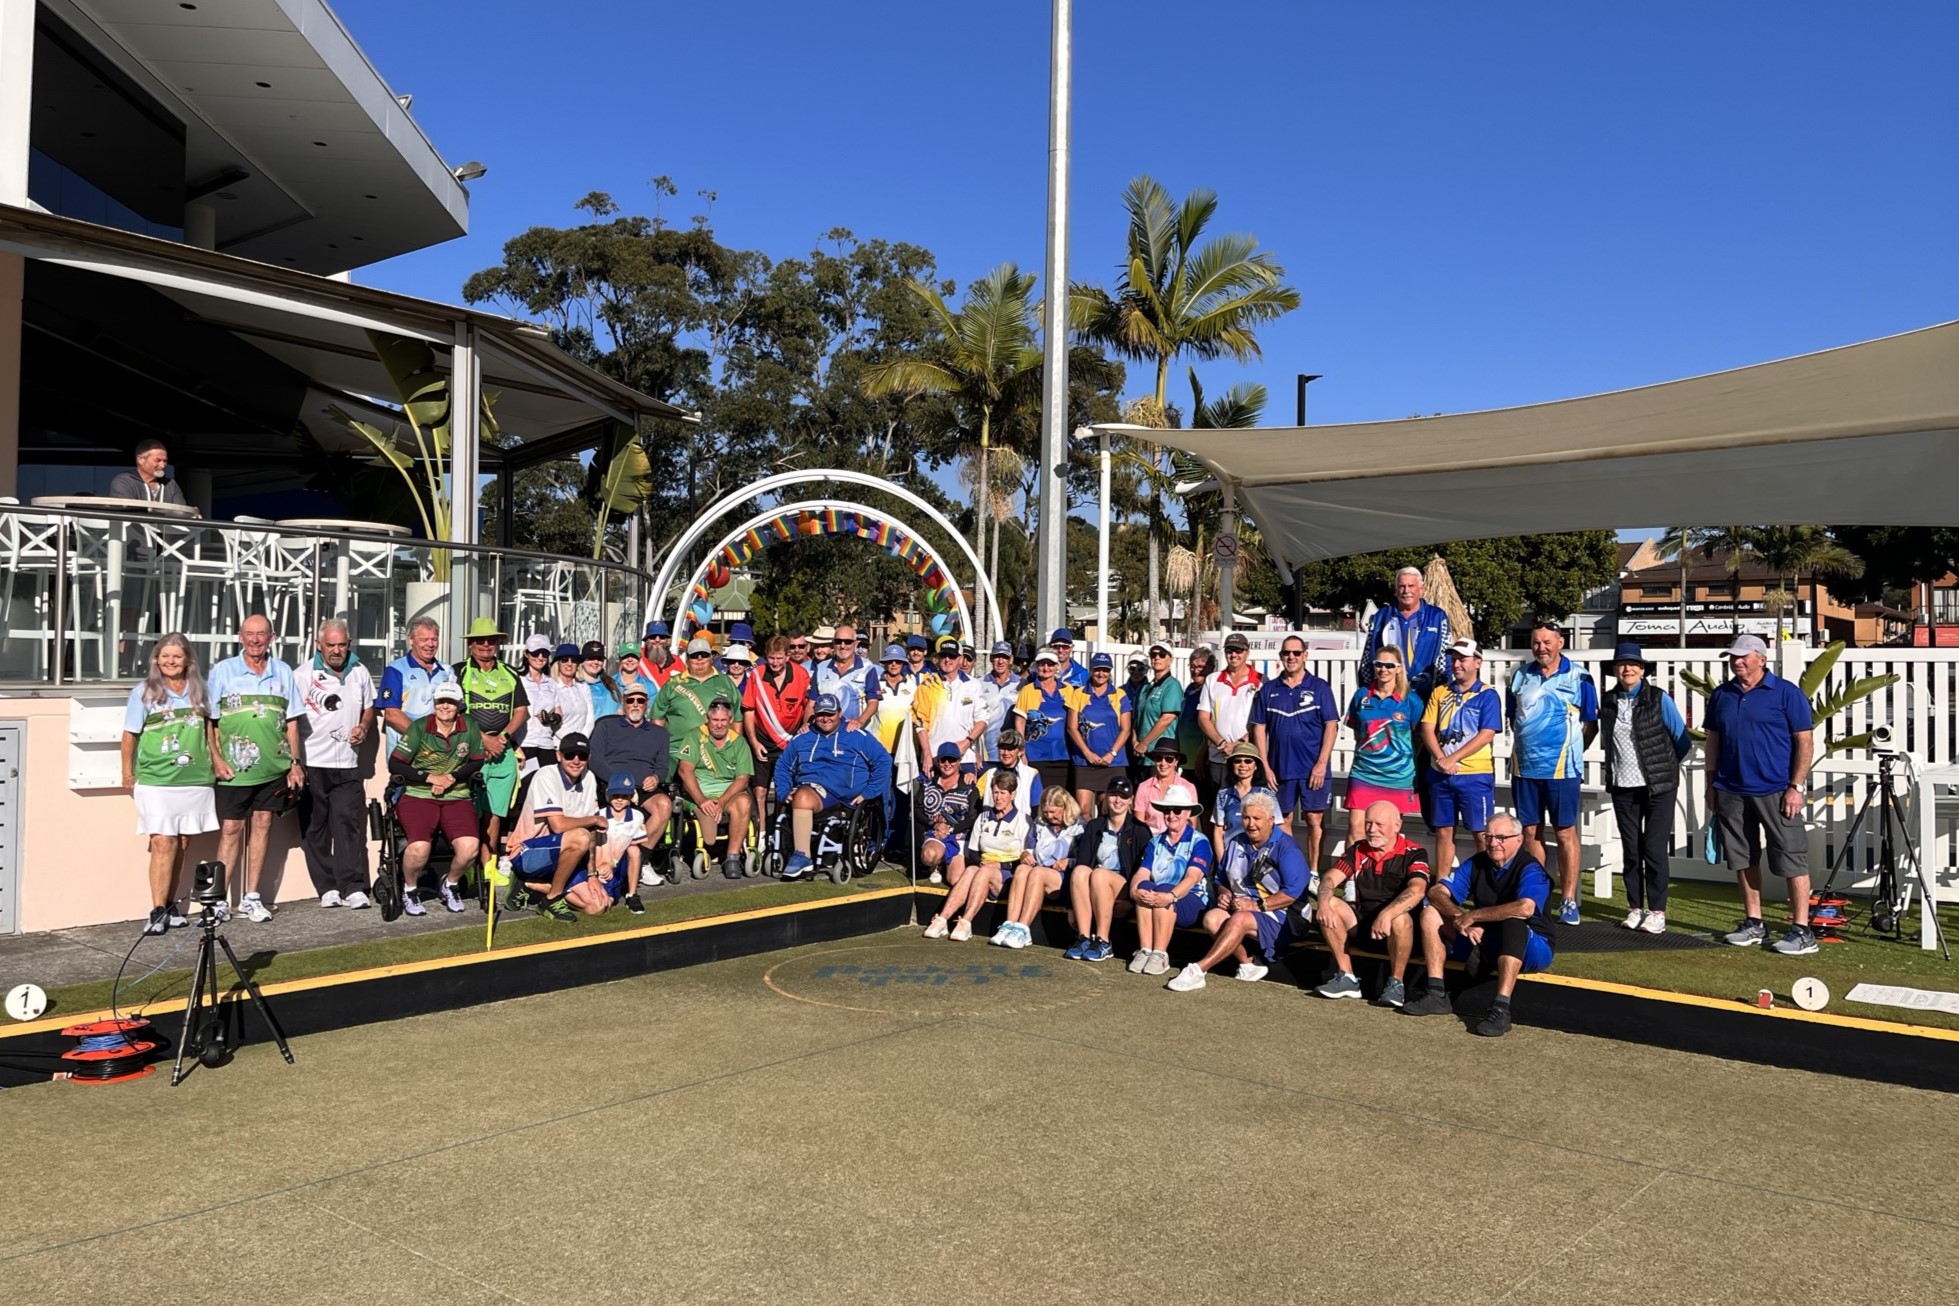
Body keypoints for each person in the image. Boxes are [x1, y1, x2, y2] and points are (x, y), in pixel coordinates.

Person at [1707, 633, 1818, 955]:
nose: (1737, 661)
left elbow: (1805, 742)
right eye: (1733, 656)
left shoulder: (1786, 694)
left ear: (1761, 659)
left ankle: (1802, 930)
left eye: (1744, 656)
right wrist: (1711, 782)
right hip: (1730, 789)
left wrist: (1795, 787)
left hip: (1776, 790)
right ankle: (1754, 922)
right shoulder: (1722, 695)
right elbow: (1713, 740)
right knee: (1743, 858)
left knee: (1791, 856)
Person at [1413, 815, 1556, 1035]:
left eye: (1501, 837)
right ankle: (1436, 993)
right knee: (1431, 913)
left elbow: (1525, 908)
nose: (1493, 843)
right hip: (1483, 939)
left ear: (1518, 839)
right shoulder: (1477, 863)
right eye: (1488, 836)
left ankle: (1501, 1008)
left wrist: (1474, 915)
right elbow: (1436, 892)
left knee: (1513, 921)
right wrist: (1460, 916)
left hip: (1532, 947)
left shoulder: (1531, 868)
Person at [207, 614, 303, 924]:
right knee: (231, 829)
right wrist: (217, 760)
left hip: (273, 767)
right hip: (234, 769)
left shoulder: (283, 671)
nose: (255, 640)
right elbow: (211, 722)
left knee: (262, 825)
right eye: (249, 634)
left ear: (271, 637)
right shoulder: (223, 671)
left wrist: (295, 763)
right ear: (240, 637)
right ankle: (219, 901)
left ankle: (251, 897)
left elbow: (292, 722)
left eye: (261, 634)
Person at [1165, 791, 1310, 991]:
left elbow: (1292, 894)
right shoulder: (1235, 842)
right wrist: (1224, 893)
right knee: (1212, 919)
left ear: (1271, 819)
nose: (1251, 824)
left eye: (1257, 819)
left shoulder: (1287, 848)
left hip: (1288, 916)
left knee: (1240, 918)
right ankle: (1248, 965)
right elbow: (1220, 878)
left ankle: (1198, 970)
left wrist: (1257, 905)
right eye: (1246, 818)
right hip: (1244, 909)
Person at [121, 633, 218, 933]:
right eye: (164, 656)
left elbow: (210, 730)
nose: (170, 662)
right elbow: (129, 736)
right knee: (163, 842)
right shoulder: (144, 692)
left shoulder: (201, 691)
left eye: (176, 656)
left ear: (188, 659)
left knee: (183, 842)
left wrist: (217, 762)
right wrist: (127, 773)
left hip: (195, 779)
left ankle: (173, 906)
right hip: (156, 780)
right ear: (156, 660)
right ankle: (157, 910)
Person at [1506, 620, 1599, 926]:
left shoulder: (1579, 676)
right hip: (1525, 769)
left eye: (1547, 642)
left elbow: (1591, 724)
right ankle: (1537, 895)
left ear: (1561, 643)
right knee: (1531, 832)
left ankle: (1569, 900)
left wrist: (1572, 751)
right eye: (1536, 642)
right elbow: (1513, 718)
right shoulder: (1520, 675)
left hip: (1562, 771)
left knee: (1564, 832)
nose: (1541, 648)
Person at [1600, 642, 1691, 934]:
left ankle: (1657, 912)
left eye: (1633, 664)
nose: (1627, 669)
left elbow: (1681, 739)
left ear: (1642, 669)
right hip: (1623, 786)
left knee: (1653, 849)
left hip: (1658, 786)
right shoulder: (1609, 700)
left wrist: (1662, 768)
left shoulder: (1659, 698)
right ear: (1615, 670)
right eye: (1622, 665)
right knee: (1631, 850)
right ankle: (1635, 908)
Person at [1315, 801, 1433, 1007]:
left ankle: (1396, 984)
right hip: (1364, 925)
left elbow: (1417, 889)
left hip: (1401, 932)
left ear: (1397, 826)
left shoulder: (1414, 852)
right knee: (1331, 904)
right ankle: (1347, 977)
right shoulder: (1358, 850)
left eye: (1379, 824)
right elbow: (1329, 880)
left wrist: (1386, 914)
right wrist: (1323, 902)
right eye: (1368, 823)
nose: (1371, 830)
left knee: (1400, 917)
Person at [293, 619, 376, 910]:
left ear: (349, 644)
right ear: (319, 645)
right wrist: (295, 763)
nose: (337, 650)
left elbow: (369, 707)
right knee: (315, 828)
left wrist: (364, 727)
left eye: (342, 644)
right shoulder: (302, 675)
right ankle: (326, 887)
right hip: (312, 762)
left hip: (348, 763)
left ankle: (352, 886)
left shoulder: (360, 671)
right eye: (331, 645)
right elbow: (290, 720)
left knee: (347, 825)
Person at [387, 682, 485, 916]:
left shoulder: (469, 724)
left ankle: (450, 885)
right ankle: (410, 889)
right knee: (419, 847)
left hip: (457, 794)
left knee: (470, 848)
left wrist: (451, 777)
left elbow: (477, 759)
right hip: (418, 794)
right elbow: (396, 763)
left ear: (459, 705)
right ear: (434, 703)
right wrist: (430, 778)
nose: (445, 706)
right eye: (441, 701)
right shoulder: (420, 727)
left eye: (450, 702)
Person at [773, 693, 891, 881]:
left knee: (802, 796)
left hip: (846, 796)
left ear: (839, 713)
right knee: (802, 796)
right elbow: (783, 766)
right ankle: (803, 855)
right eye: (821, 714)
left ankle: (802, 855)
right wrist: (783, 791)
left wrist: (869, 792)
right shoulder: (802, 737)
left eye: (830, 713)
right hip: (812, 790)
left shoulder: (856, 735)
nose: (825, 718)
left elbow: (883, 761)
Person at [1250, 635, 1340, 871]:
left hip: (1313, 770)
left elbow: (1332, 725)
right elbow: (1259, 728)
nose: (1291, 657)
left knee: (1314, 820)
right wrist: (1265, 765)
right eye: (1286, 653)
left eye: (1296, 653)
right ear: (1281, 656)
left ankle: (1313, 872)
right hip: (1280, 769)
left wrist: (1321, 763)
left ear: (1305, 656)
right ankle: (1291, 869)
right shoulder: (1269, 689)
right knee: (1283, 821)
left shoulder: (1319, 687)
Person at [1417, 638, 1504, 878]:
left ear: (1477, 662)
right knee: (1443, 831)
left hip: (1475, 774)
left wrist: (1452, 757)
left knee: (1481, 833)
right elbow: (1427, 728)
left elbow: (1486, 734)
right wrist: (1440, 758)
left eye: (1462, 659)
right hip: (1440, 774)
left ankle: (1487, 883)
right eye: (1454, 659)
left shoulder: (1487, 695)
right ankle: (1441, 885)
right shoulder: (1440, 691)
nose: (1456, 664)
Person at [501, 731, 602, 923]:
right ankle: (551, 899)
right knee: (580, 836)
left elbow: (591, 831)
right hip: (527, 851)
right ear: (558, 755)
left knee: (596, 906)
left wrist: (592, 875)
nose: (576, 760)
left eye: (582, 755)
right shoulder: (546, 774)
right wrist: (594, 819)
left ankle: (531, 885)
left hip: (564, 853)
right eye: (569, 755)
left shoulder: (589, 778)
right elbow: (559, 825)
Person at [457, 617, 529, 877]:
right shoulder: (458, 672)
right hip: (468, 750)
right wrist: (482, 739)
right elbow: (451, 713)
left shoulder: (510, 673)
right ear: (471, 644)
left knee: (495, 812)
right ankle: (465, 869)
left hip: (502, 751)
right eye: (480, 641)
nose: (486, 645)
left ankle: (489, 869)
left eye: (491, 640)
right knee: (465, 811)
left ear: (499, 643)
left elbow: (521, 711)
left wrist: (503, 738)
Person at [587, 683, 674, 879]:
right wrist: (621, 784)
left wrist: (656, 777)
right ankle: (614, 860)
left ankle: (640, 859)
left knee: (664, 804)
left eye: (640, 700)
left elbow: (662, 766)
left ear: (646, 704)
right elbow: (595, 760)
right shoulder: (606, 726)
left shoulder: (659, 733)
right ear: (623, 702)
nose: (635, 704)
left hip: (643, 786)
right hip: (612, 784)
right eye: (630, 700)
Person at [1344, 645, 1426, 846]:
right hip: (1364, 773)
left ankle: (1383, 876)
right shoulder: (1361, 695)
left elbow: (1419, 737)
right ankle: (1354, 876)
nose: (1383, 669)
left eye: (1389, 665)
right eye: (1378, 664)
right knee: (1356, 828)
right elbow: (1357, 731)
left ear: (1398, 668)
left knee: (1387, 834)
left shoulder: (1411, 700)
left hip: (1397, 777)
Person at [1064, 776, 1151, 963]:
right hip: (1097, 883)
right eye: (1113, 795)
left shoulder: (1140, 830)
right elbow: (1083, 863)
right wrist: (1070, 905)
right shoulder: (1095, 826)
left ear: (1131, 800)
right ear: (1107, 797)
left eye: (1123, 796)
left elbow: (1143, 872)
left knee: (1099, 874)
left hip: (1125, 885)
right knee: (1080, 871)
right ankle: (1084, 938)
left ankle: (1103, 940)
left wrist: (1131, 899)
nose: (1117, 800)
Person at [1135, 783, 1213, 980]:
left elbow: (1192, 877)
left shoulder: (1200, 841)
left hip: (1191, 899)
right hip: (1164, 895)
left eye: (1177, 810)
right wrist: (1134, 890)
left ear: (1187, 813)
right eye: (1167, 810)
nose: (1171, 815)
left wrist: (1170, 895)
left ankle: (1160, 953)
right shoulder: (1155, 841)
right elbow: (1142, 872)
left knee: (1162, 889)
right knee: (1144, 888)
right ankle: (1145, 949)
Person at [991, 787, 1082, 948]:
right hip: (1037, 871)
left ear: (1065, 807)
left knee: (1038, 873)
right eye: (1046, 812)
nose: (1049, 816)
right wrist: (1025, 855)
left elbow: (1086, 859)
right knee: (1021, 870)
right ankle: (1010, 924)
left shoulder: (1080, 827)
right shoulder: (1039, 823)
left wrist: (1069, 861)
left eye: (1053, 812)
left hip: (1064, 880)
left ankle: (1023, 928)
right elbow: (1030, 847)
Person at [675, 698, 756, 879]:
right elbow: (684, 769)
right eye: (715, 720)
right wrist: (702, 800)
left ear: (730, 720)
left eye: (723, 720)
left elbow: (743, 779)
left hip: (727, 795)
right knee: (709, 837)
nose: (718, 725)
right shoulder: (694, 736)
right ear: (707, 719)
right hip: (699, 795)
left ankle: (732, 857)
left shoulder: (739, 742)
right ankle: (703, 851)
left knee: (744, 801)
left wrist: (721, 802)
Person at [745, 634, 812, 824]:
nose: (774, 663)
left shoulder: (801, 675)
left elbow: (809, 703)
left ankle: (781, 829)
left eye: (779, 658)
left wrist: (807, 723)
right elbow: (749, 710)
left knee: (786, 789)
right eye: (771, 658)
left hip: (789, 741)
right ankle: (762, 831)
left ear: (787, 656)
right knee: (760, 790)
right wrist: (754, 742)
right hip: (762, 740)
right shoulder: (757, 675)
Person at [1360, 564, 1452, 699]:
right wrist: (1366, 691)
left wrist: (1443, 690)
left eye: (1411, 586)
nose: (1406, 590)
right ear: (1396, 590)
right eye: (1402, 586)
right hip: (1389, 694)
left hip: (1425, 694)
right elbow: (1368, 657)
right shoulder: (1381, 616)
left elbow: (1445, 657)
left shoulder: (1437, 617)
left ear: (1421, 588)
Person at [651, 637, 741, 773]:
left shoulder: (726, 682)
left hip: (715, 750)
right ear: (687, 659)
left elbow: (737, 718)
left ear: (711, 657)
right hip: (676, 751)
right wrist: (659, 747)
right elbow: (658, 717)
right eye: (694, 656)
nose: (699, 659)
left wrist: (733, 748)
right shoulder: (673, 684)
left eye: (704, 655)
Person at [567, 773, 645, 916]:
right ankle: (559, 895)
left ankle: (632, 895)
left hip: (615, 865)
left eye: (625, 796)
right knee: (602, 902)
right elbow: (593, 846)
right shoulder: (599, 815)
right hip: (596, 864)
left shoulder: (637, 817)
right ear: (608, 796)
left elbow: (632, 843)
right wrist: (599, 868)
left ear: (631, 797)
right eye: (615, 795)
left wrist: (613, 863)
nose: (619, 800)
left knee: (634, 850)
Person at [1197, 632, 1262, 804]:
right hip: (1218, 757)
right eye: (1229, 650)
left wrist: (1238, 745)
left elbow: (1261, 722)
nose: (1234, 655)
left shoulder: (1261, 681)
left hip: (1246, 759)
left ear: (1247, 652)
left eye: (1239, 650)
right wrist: (1221, 743)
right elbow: (1203, 717)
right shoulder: (1212, 679)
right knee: (1218, 812)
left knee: (1246, 810)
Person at [1065, 651, 1131, 815]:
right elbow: (1071, 727)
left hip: (1112, 763)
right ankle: (1086, 840)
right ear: (1091, 670)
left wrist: (1112, 753)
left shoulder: (1119, 695)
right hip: (1084, 761)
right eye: (1097, 669)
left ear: (1110, 672)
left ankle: (1104, 841)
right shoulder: (1078, 694)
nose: (1101, 674)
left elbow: (1126, 729)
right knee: (1082, 811)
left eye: (1105, 670)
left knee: (1107, 809)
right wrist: (1087, 753)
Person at [376, 616, 453, 749]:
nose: (430, 644)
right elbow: (392, 714)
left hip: (440, 752)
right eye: (424, 640)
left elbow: (456, 711)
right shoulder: (396, 669)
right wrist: (424, 740)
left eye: (434, 639)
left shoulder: (447, 671)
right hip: (405, 753)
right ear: (411, 639)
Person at [913, 635, 988, 769]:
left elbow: (982, 720)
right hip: (936, 757)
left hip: (965, 757)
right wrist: (927, 755)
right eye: (944, 656)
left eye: (952, 656)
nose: (947, 660)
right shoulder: (926, 685)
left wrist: (967, 743)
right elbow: (920, 724)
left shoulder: (974, 685)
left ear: (960, 659)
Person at [916, 742, 981, 894]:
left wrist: (951, 829)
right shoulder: (928, 783)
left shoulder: (969, 785)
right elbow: (918, 810)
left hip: (959, 835)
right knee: (929, 856)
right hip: (936, 833)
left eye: (951, 760)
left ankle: (948, 864)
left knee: (955, 880)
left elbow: (972, 817)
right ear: (937, 761)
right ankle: (936, 865)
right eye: (943, 760)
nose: (947, 764)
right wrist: (934, 824)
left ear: (959, 761)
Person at [1012, 649, 1074, 802]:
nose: (1046, 668)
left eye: (1050, 664)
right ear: (1037, 666)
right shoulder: (1027, 690)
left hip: (1063, 756)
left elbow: (1075, 721)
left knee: (1060, 802)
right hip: (1035, 756)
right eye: (1042, 664)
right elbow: (1020, 721)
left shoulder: (1068, 689)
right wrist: (1022, 751)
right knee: (1038, 801)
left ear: (1056, 667)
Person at [870, 643, 921, 798]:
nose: (893, 664)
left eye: (898, 661)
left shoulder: (913, 686)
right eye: (890, 661)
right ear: (884, 663)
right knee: (881, 792)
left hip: (905, 748)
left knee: (902, 794)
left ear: (904, 663)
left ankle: (900, 823)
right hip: (880, 748)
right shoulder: (875, 684)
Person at [1131, 640, 1184, 787]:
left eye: (1162, 654)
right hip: (1141, 754)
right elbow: (1137, 717)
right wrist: (1135, 741)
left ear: (1170, 659)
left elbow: (1167, 718)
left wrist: (1145, 743)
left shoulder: (1172, 685)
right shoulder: (1146, 686)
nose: (1157, 658)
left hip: (1160, 755)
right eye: (1153, 654)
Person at [1211, 740, 1277, 857]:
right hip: (1231, 857)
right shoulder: (1223, 795)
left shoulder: (1267, 794)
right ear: (1232, 765)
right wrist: (1222, 862)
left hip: (1261, 857)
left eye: (1248, 761)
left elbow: (1277, 828)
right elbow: (1218, 831)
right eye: (1238, 761)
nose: (1243, 765)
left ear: (1256, 766)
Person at [814, 622, 880, 731]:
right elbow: (812, 702)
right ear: (833, 644)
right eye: (838, 641)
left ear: (855, 644)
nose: (843, 646)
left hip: (855, 732)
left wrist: (860, 721)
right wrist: (807, 724)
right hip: (826, 732)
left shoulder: (868, 668)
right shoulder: (821, 668)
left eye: (848, 642)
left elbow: (873, 702)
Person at [516, 634, 563, 769]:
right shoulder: (517, 679)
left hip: (546, 744)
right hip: (524, 743)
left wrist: (551, 718)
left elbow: (559, 714)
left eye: (545, 653)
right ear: (526, 653)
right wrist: (515, 745)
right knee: (525, 787)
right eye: (536, 653)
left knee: (547, 787)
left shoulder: (551, 683)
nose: (540, 657)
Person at [976, 728, 1042, 821]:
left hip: (1020, 827)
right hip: (991, 826)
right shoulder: (989, 774)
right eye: (1002, 748)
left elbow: (1037, 807)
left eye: (1011, 748)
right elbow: (974, 797)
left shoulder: (1031, 774)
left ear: (1020, 751)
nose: (1006, 753)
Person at [1177, 644, 1217, 787]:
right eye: (1193, 667)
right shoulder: (1190, 689)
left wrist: (1202, 756)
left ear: (1211, 668)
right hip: (1186, 759)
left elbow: (1211, 725)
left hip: (1202, 760)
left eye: (1201, 667)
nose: (1196, 671)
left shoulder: (1212, 691)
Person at [108, 437, 190, 507]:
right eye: (157, 460)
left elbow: (181, 513)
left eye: (165, 461)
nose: (163, 465)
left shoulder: (171, 485)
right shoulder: (124, 482)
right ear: (141, 460)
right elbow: (128, 515)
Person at [978, 641, 1023, 762]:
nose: (1000, 661)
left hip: (1012, 753)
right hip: (986, 753)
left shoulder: (1022, 685)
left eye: (1005, 657)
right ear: (991, 658)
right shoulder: (978, 684)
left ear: (1011, 660)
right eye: (997, 656)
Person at [1133, 739, 1188, 836]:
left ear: (1176, 761)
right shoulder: (1143, 787)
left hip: (1180, 842)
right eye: (1158, 758)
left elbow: (1191, 824)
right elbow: (1139, 825)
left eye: (1169, 759)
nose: (1163, 763)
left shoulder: (1188, 787)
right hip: (1150, 841)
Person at [578, 640, 622, 721]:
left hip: (611, 732)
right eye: (591, 658)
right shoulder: (576, 685)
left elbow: (619, 711)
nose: (596, 662)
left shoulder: (611, 684)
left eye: (599, 659)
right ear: (582, 661)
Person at [640, 620, 678, 689]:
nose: (657, 640)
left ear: (667, 640)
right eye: (653, 637)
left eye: (662, 637)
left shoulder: (677, 662)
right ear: (646, 640)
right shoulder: (637, 657)